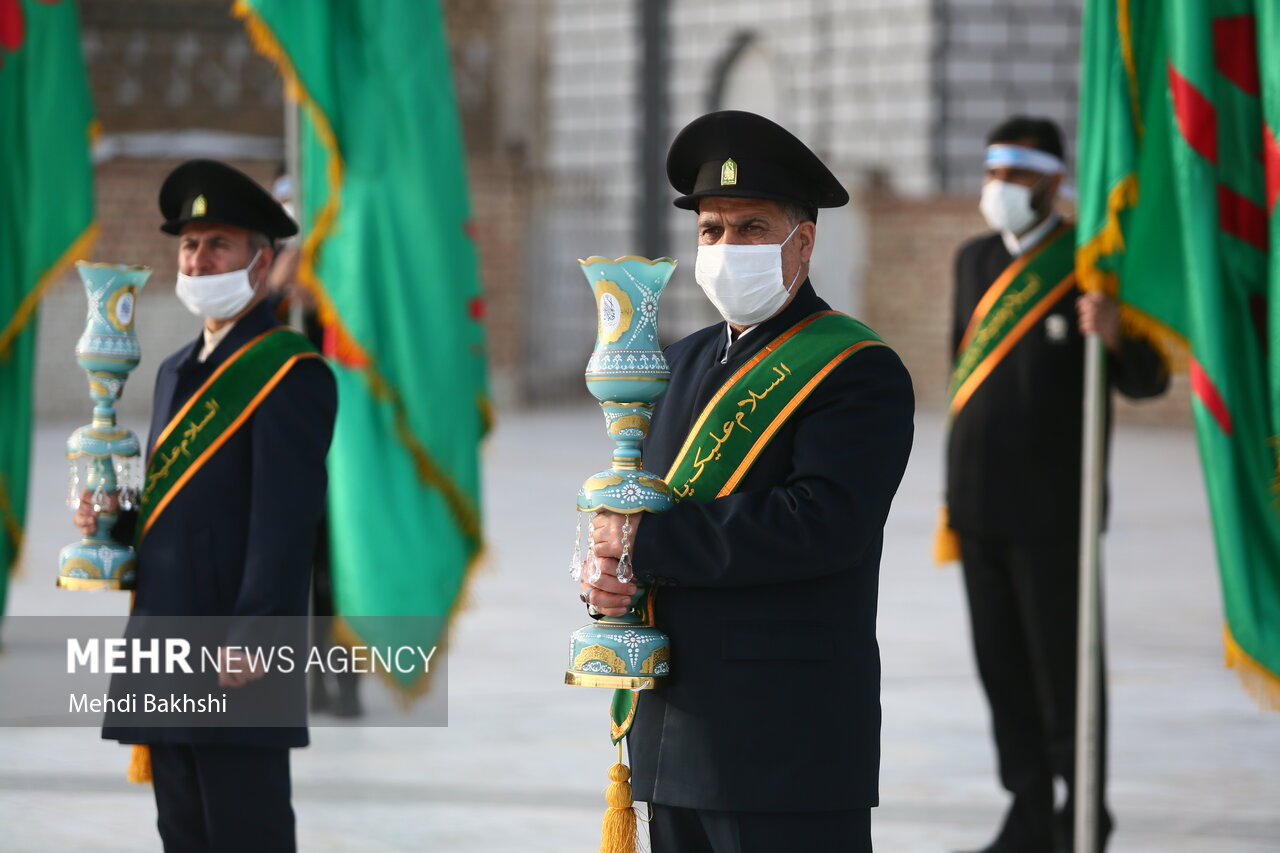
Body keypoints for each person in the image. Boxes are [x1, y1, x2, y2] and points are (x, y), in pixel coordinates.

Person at [581, 110, 915, 853]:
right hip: (674, 735)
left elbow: (821, 522)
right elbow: (652, 509)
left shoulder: (857, 369)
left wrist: (649, 542)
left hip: (785, 744)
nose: (728, 247)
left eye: (752, 228)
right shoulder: (677, 362)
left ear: (805, 239)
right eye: (712, 230)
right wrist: (610, 576)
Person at [76, 159, 337, 853]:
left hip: (234, 645)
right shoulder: (173, 369)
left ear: (261, 261)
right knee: (184, 832)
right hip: (167, 636)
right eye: (189, 245)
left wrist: (258, 628)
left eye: (218, 243)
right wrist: (114, 523)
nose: (199, 259)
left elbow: (285, 519)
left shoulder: (290, 369)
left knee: (245, 830)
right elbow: (187, 508)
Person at [942, 117, 1168, 853]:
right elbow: (962, 378)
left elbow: (1148, 378)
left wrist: (1117, 333)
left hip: (1054, 514)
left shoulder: (1089, 265)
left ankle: (1084, 812)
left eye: (1014, 176)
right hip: (976, 507)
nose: (998, 189)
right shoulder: (973, 261)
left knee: (1064, 675)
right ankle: (1029, 806)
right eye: (992, 174)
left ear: (1049, 181)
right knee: (1000, 670)